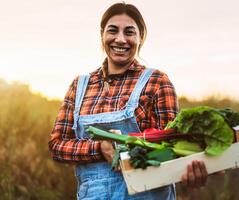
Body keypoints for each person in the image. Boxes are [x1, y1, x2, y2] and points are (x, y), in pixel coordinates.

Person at [49, 2, 208, 200]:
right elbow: (57, 146)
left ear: (140, 38)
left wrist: (190, 169)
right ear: (102, 35)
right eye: (113, 31)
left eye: (130, 32)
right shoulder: (79, 86)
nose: (121, 39)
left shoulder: (157, 82)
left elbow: (170, 148)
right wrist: (99, 148)